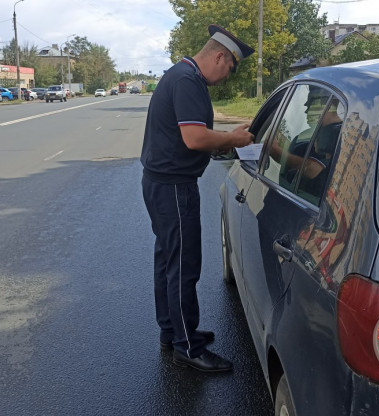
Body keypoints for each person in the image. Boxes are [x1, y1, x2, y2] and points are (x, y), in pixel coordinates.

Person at [140, 24, 255, 373]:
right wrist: (232, 140)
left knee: (167, 262)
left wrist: (225, 140)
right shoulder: (188, 81)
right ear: (219, 56)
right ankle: (187, 347)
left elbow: (190, 136)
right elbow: (193, 138)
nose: (228, 76)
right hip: (174, 187)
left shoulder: (182, 75)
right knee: (183, 267)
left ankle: (173, 331)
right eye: (230, 67)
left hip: (162, 183)